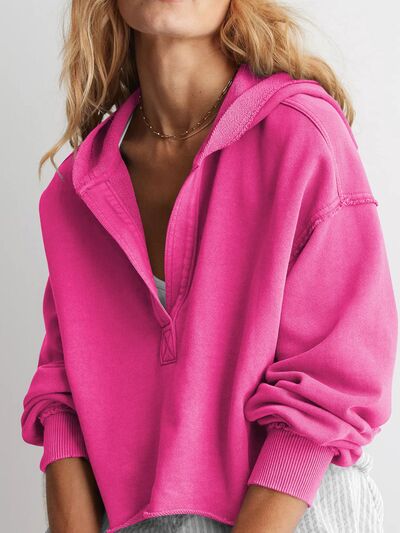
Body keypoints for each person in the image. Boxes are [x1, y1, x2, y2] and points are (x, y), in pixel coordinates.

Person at [20, 1, 398, 532]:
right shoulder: (78, 191)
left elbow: (334, 381)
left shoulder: (301, 137)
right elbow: (63, 399)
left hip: (294, 511)